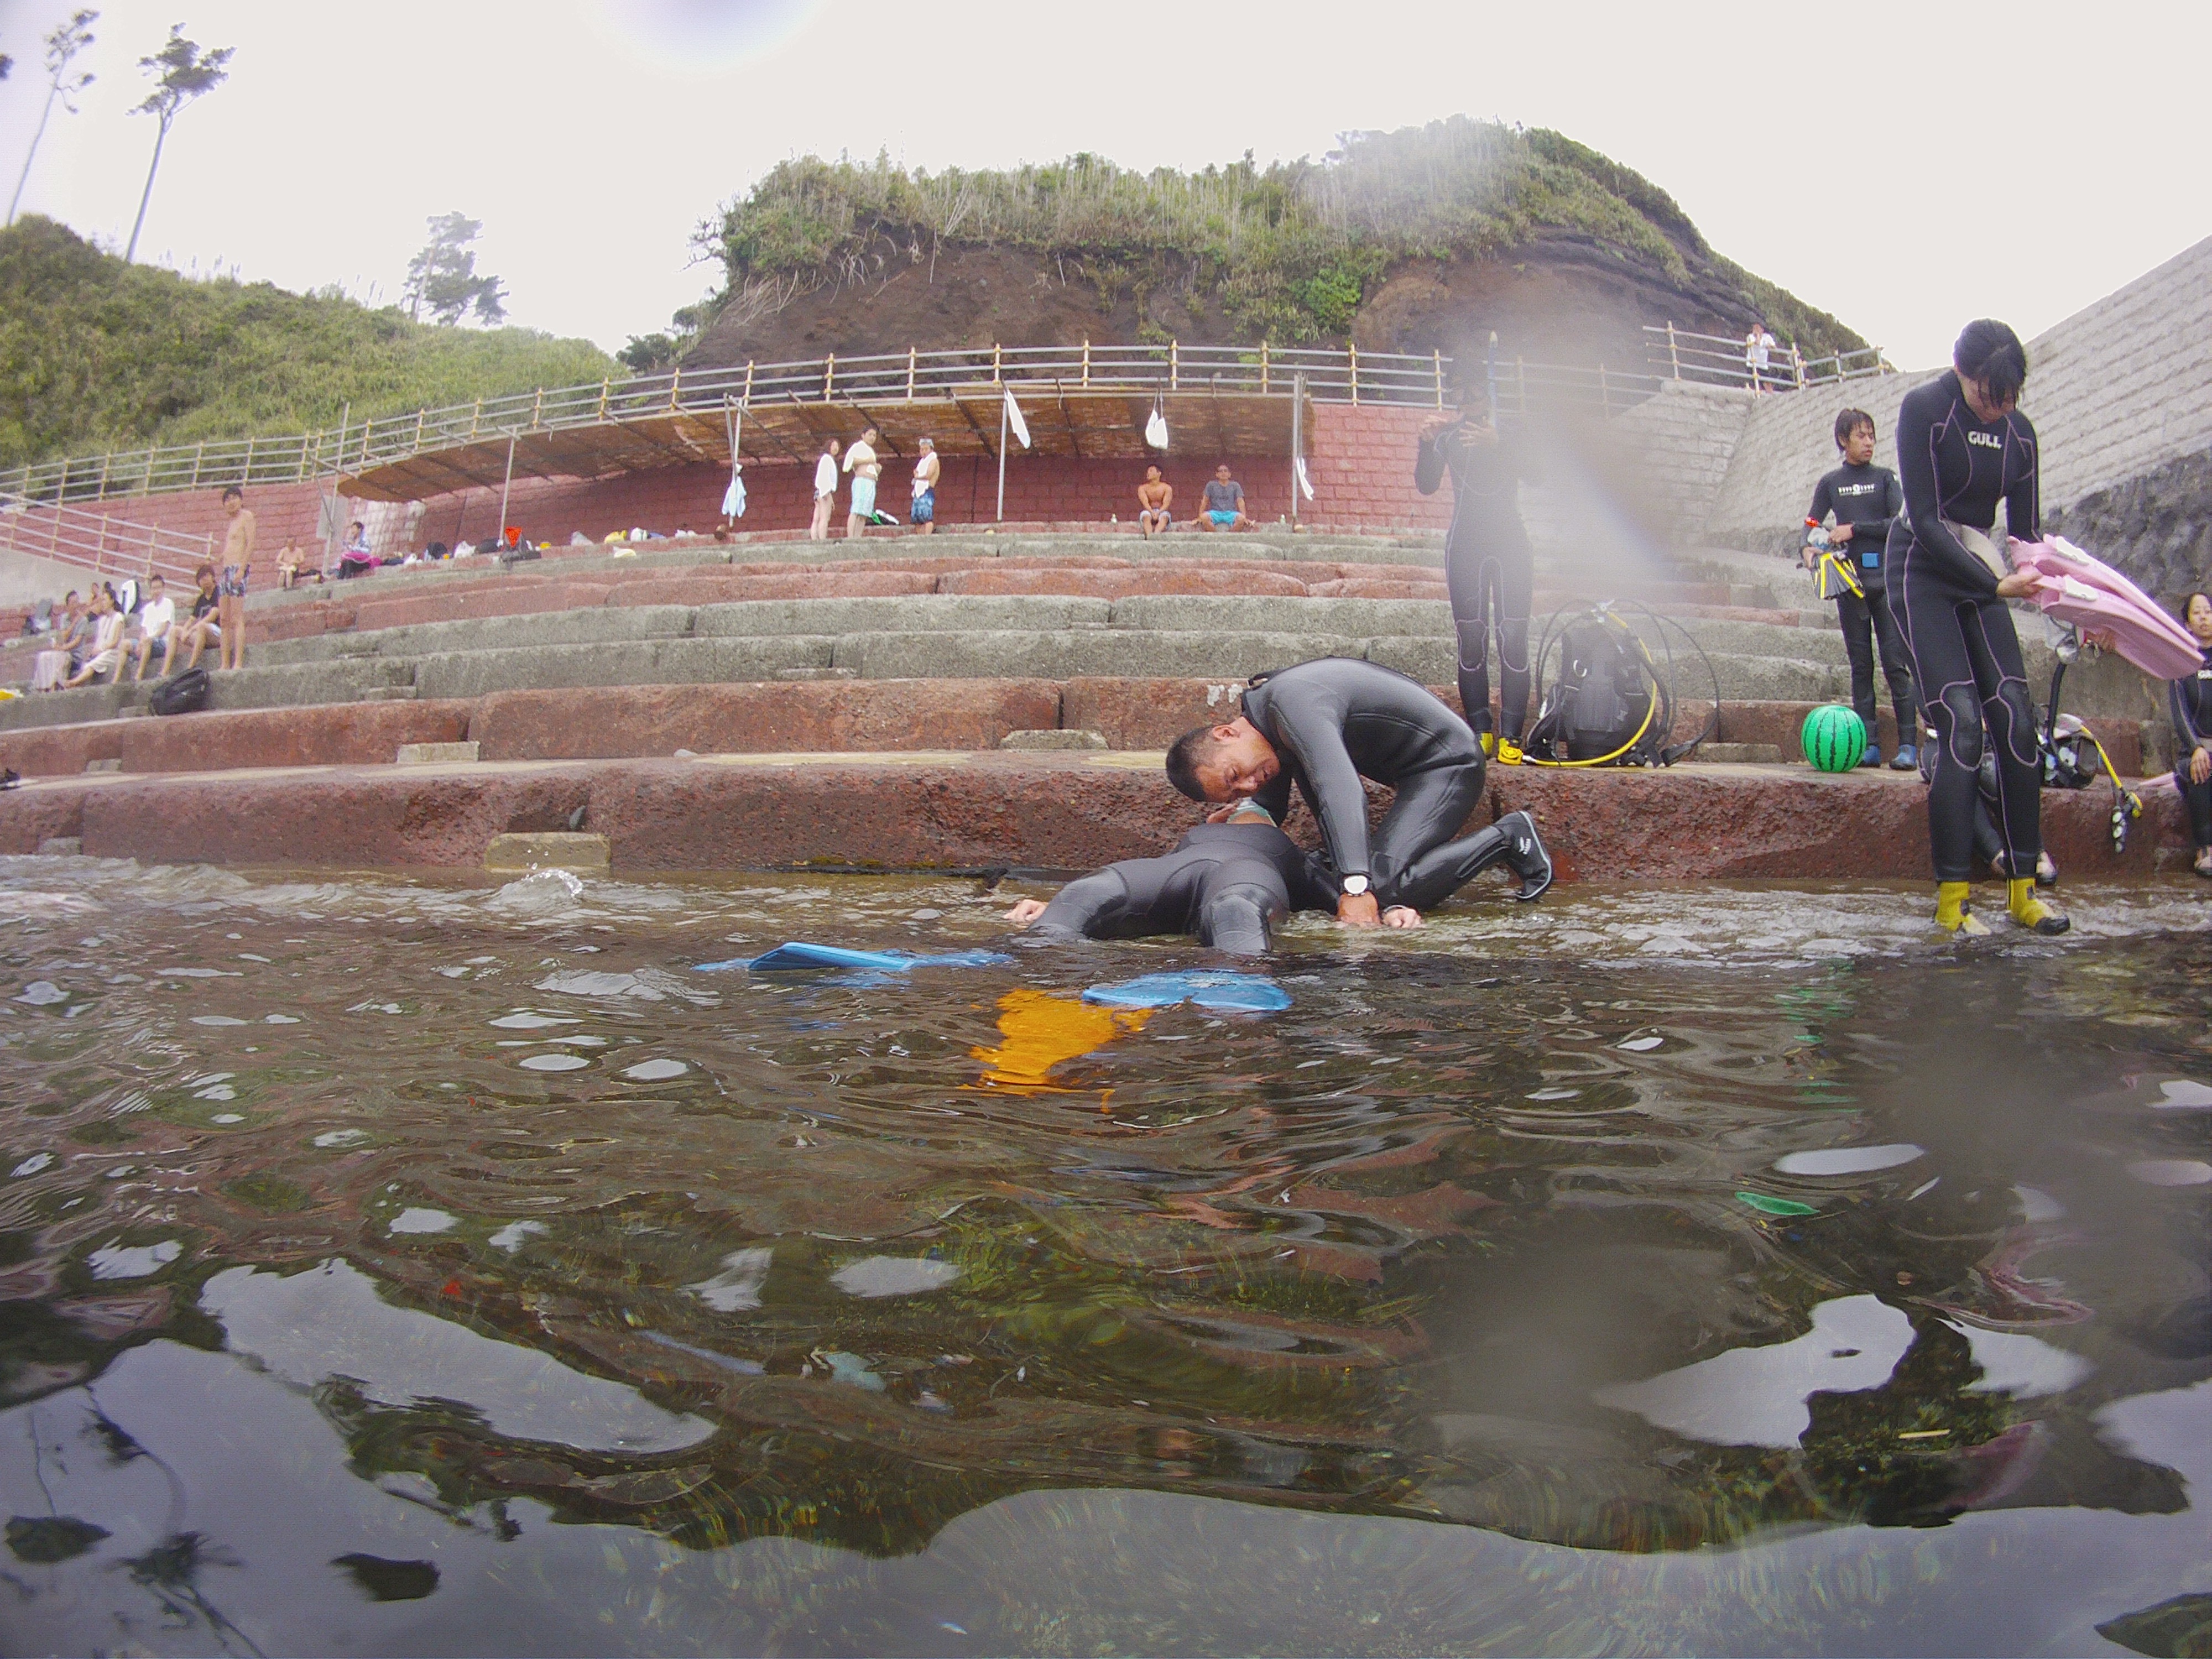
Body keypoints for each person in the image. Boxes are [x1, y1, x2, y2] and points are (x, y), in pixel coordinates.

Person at [1890, 319, 2064, 936]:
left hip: (1982, 571)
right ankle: (1952, 904)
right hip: (1923, 566)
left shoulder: (2019, 434)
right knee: (1961, 724)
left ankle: (2022, 892)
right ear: (1962, 374)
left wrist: (2076, 605)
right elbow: (1929, 521)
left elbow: (2026, 540)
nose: (2000, 409)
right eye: (1990, 395)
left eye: (2010, 396)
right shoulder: (1925, 410)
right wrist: (1992, 585)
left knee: (2016, 718)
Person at [1164, 657, 1553, 928]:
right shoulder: (1266, 727)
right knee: (1349, 875)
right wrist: (1238, 818)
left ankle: (1507, 838)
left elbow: (1340, 788)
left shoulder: (1291, 705)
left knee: (1380, 887)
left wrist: (1356, 885)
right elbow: (1270, 807)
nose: (1249, 784)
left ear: (1226, 732)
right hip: (1411, 773)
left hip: (1448, 764)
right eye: (1233, 791)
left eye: (1235, 774)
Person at [1002, 801, 1337, 954]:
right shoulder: (1196, 836)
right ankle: (1030, 961)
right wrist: (1058, 903)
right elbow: (1143, 889)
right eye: (1238, 812)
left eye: (1256, 816)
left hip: (1245, 878)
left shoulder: (1293, 855)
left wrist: (1386, 907)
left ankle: (1243, 1006)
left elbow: (1348, 899)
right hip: (1180, 873)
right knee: (1086, 892)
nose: (1247, 817)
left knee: (1234, 910)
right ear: (1215, 819)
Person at [1417, 384, 1535, 762]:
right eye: (1459, 396)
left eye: (1473, 393)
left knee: (1513, 638)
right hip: (1465, 545)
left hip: (1510, 544)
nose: (1466, 402)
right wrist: (1426, 443)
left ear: (1489, 394)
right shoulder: (1450, 436)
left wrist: (1498, 443)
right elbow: (1426, 485)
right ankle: (1480, 731)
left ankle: (1512, 735)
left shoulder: (1512, 432)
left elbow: (1538, 474)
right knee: (1471, 638)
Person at [1806, 409, 1918, 769]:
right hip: (1849, 585)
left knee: (1895, 663)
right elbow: (1810, 522)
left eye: (1871, 435)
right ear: (1844, 440)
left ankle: (1908, 745)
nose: (1868, 442)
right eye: (1861, 436)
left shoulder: (1885, 479)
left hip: (1886, 583)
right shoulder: (1831, 483)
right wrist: (1808, 546)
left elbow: (1901, 523)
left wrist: (1854, 529)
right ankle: (1868, 744)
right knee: (1860, 665)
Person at [2170, 591, 2212, 878]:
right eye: (2197, 613)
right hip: (2194, 754)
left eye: (2208, 612)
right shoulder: (2181, 665)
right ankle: (2205, 847)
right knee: (2201, 769)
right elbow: (2180, 714)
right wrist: (2197, 748)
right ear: (2187, 624)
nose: (2204, 618)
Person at [216, 484, 254, 671]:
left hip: (238, 569)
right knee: (224, 618)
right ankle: (224, 663)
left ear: (241, 499)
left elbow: (250, 544)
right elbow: (229, 548)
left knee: (237, 617)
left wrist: (242, 569)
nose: (231, 502)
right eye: (227, 500)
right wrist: (217, 558)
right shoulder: (231, 523)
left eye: (234, 498)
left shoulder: (247, 516)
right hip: (225, 571)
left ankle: (238, 662)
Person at [61, 587, 123, 687]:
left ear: (112, 601)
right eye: (101, 600)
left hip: (113, 652)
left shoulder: (119, 617)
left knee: (93, 664)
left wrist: (101, 649)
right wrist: (94, 651)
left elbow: (116, 642)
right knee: (89, 663)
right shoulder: (102, 620)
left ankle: (74, 682)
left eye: (104, 600)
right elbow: (99, 640)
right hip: (101, 652)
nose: (102, 603)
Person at [168, 564, 222, 675]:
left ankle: (190, 667)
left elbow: (213, 616)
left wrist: (191, 630)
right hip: (201, 634)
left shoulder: (218, 592)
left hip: (217, 634)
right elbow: (192, 619)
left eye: (207, 576)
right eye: (202, 578)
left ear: (213, 577)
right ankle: (165, 671)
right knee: (175, 631)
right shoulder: (201, 599)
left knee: (202, 626)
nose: (205, 580)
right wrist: (185, 631)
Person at [129, 575, 175, 681]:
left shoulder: (168, 603)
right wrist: (141, 642)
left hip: (162, 643)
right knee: (125, 645)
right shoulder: (148, 608)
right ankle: (116, 681)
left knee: (147, 641)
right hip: (147, 642)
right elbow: (144, 631)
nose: (156, 591)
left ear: (163, 589)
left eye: (158, 588)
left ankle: (139, 675)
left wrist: (148, 639)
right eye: (154, 588)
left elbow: (164, 629)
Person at [843, 426, 881, 540]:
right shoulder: (858, 447)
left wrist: (877, 468)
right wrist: (867, 461)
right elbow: (850, 462)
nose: (872, 437)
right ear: (863, 435)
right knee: (856, 509)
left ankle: (858, 537)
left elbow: (873, 464)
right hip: (862, 481)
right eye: (870, 434)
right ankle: (851, 537)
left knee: (864, 513)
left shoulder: (871, 451)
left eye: (874, 435)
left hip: (871, 482)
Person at [1193, 465, 1251, 533]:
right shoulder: (1211, 485)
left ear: (1229, 474)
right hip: (1215, 513)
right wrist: (1200, 517)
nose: (1223, 473)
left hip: (1231, 513)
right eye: (1221, 471)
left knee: (1241, 519)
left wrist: (1245, 517)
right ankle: (1216, 536)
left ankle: (1230, 537)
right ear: (1217, 475)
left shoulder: (1235, 485)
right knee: (1204, 518)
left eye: (1226, 471)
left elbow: (1240, 501)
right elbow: (1205, 500)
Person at [810, 438, 841, 541]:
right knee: (824, 518)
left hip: (819, 492)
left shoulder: (826, 459)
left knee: (817, 518)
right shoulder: (827, 459)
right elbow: (825, 477)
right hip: (824, 491)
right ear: (828, 447)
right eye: (833, 446)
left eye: (837, 446)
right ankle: (822, 539)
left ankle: (815, 539)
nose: (836, 448)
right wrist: (826, 493)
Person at [909, 436, 940, 535]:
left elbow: (929, 475)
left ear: (931, 449)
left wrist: (918, 477)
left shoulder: (933, 460)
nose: (924, 452)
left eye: (926, 449)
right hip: (918, 492)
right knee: (916, 518)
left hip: (926, 491)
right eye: (922, 449)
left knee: (926, 516)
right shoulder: (921, 463)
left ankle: (927, 536)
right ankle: (920, 536)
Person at [1137, 466, 1174, 537]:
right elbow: (1145, 503)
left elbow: (1166, 504)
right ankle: (1150, 536)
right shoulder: (1143, 488)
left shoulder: (1167, 488)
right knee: (1146, 517)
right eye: (1148, 471)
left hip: (1162, 511)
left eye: (1151, 471)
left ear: (1159, 473)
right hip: (1148, 510)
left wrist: (1159, 512)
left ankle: (1156, 536)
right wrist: (1151, 512)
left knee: (1165, 518)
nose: (1148, 473)